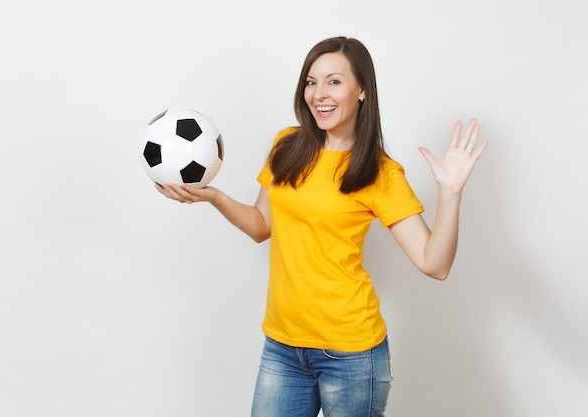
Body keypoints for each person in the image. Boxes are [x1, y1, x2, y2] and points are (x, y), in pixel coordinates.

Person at [155, 36, 488, 417]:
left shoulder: (379, 172)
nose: (319, 93)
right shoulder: (287, 146)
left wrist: (450, 192)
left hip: (351, 355)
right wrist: (215, 197)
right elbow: (262, 226)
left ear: (361, 89)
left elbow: (435, 264)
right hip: (282, 347)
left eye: (334, 81)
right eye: (311, 82)